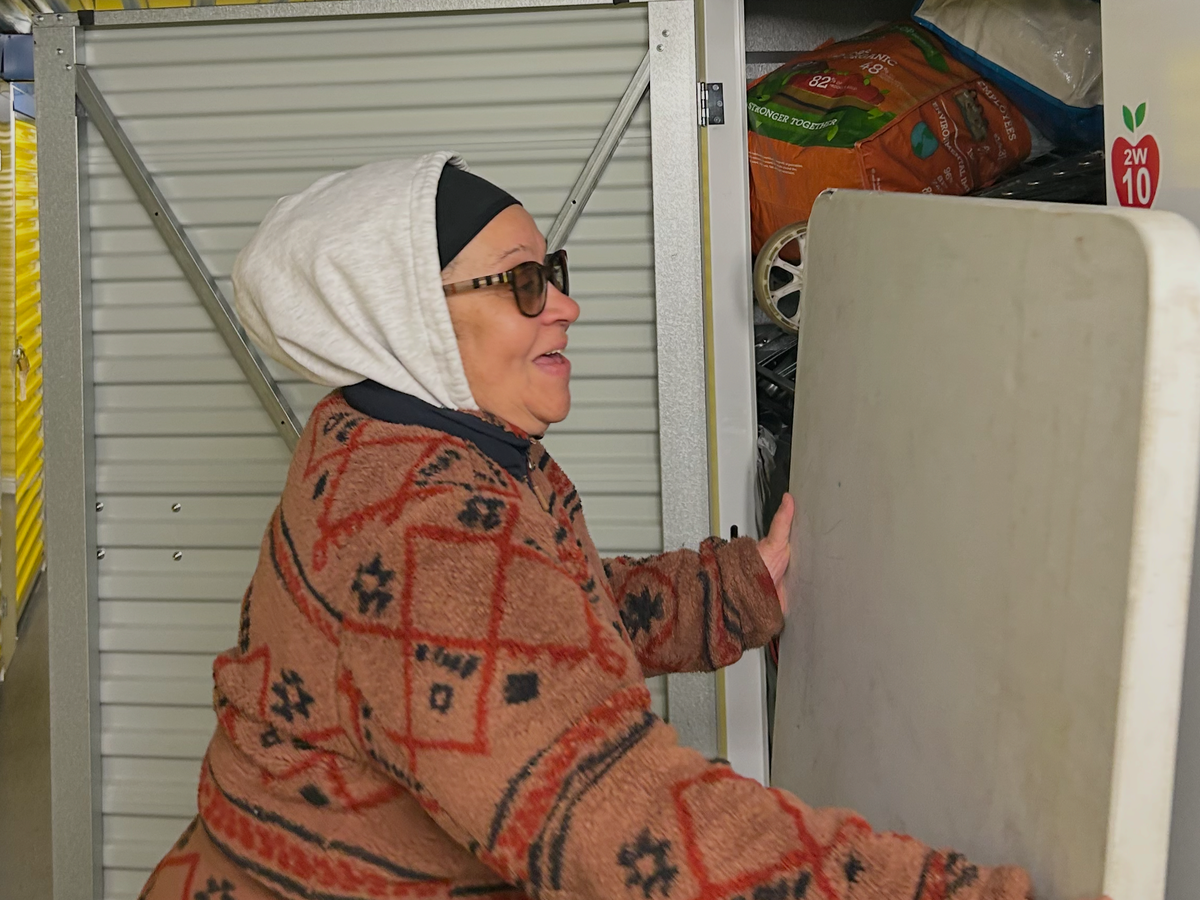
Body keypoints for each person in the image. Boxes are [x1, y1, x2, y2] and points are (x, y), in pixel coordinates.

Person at [139, 152, 1033, 900]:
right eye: (523, 284)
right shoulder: (424, 524)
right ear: (406, 315)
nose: (565, 306)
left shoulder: (389, 436)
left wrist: (727, 590)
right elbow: (622, 821)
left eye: (552, 274)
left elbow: (534, 621)